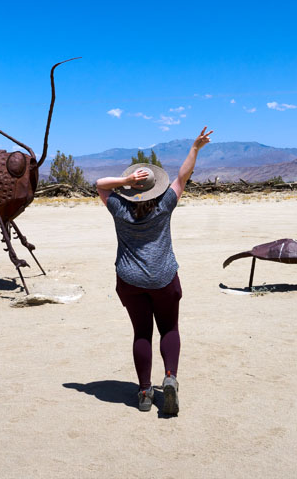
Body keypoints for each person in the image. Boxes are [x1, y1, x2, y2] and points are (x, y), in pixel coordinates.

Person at [95, 126, 213, 414]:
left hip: (129, 280)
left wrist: (125, 180)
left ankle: (145, 391)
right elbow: (183, 176)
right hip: (163, 277)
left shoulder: (119, 209)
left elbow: (100, 184)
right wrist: (195, 148)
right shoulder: (165, 205)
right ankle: (170, 378)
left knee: (142, 334)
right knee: (169, 327)